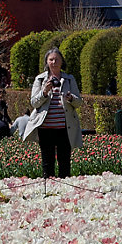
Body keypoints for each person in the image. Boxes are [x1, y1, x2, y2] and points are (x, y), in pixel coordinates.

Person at [24, 47, 83, 177]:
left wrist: (71, 98)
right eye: (51, 59)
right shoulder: (40, 79)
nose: (54, 62)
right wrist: (44, 92)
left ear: (62, 62)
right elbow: (34, 102)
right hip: (46, 128)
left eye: (57, 59)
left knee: (65, 162)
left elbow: (79, 102)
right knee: (47, 162)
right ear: (47, 62)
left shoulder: (69, 79)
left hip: (64, 128)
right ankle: (49, 189)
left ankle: (65, 189)